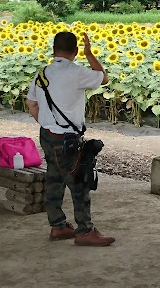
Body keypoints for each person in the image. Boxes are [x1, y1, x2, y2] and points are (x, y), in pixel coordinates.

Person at [26, 31, 115, 246]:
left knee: (54, 179)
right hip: (67, 140)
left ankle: (58, 226)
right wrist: (89, 54)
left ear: (53, 50)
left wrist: (47, 123)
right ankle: (85, 231)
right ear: (75, 51)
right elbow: (103, 78)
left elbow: (31, 103)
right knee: (79, 182)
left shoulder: (42, 74)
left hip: (47, 135)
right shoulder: (77, 73)